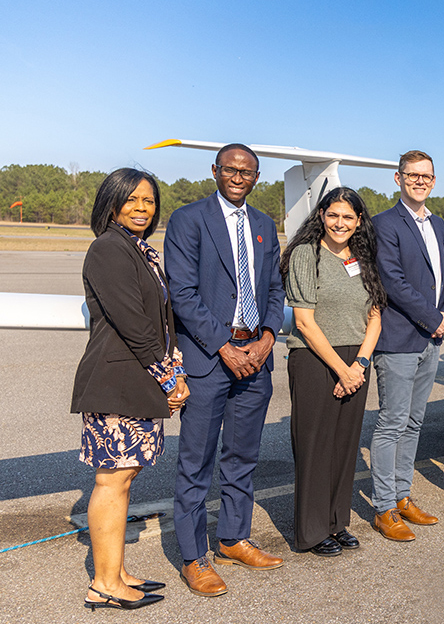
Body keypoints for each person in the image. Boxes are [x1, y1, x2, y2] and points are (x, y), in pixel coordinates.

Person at [164, 143, 286, 597]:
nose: (238, 176)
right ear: (215, 171)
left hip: (257, 355)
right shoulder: (188, 219)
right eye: (231, 169)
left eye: (247, 171)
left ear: (257, 177)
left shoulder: (263, 225)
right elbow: (183, 292)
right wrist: (222, 344)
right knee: (196, 462)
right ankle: (195, 558)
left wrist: (269, 335)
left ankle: (234, 538)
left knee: (243, 456)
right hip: (209, 358)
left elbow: (275, 287)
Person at [73, 168, 186, 611]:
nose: (142, 208)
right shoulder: (108, 249)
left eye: (149, 201)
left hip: (138, 378)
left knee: (125, 477)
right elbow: (135, 325)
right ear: (112, 202)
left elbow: (161, 321)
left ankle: (116, 572)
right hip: (116, 381)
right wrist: (170, 377)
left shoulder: (138, 249)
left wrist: (170, 369)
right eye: (132, 199)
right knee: (112, 479)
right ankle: (103, 584)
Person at [281, 187, 385, 557]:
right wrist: (343, 370)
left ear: (358, 222)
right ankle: (311, 531)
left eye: (348, 217)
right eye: (334, 215)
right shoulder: (306, 255)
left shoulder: (362, 258)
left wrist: (359, 364)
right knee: (315, 446)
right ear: (322, 215)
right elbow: (305, 323)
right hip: (314, 358)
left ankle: (337, 522)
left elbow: (375, 316)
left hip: (356, 361)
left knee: (344, 446)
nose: (340, 223)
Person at [369, 150, 444, 541]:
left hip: (431, 338)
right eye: (413, 175)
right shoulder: (384, 224)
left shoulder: (436, 223)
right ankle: (384, 507)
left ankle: (403, 497)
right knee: (391, 423)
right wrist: (433, 318)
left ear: (433, 181)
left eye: (427, 176)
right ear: (398, 178)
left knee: (415, 422)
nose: (420, 181)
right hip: (401, 338)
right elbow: (392, 280)